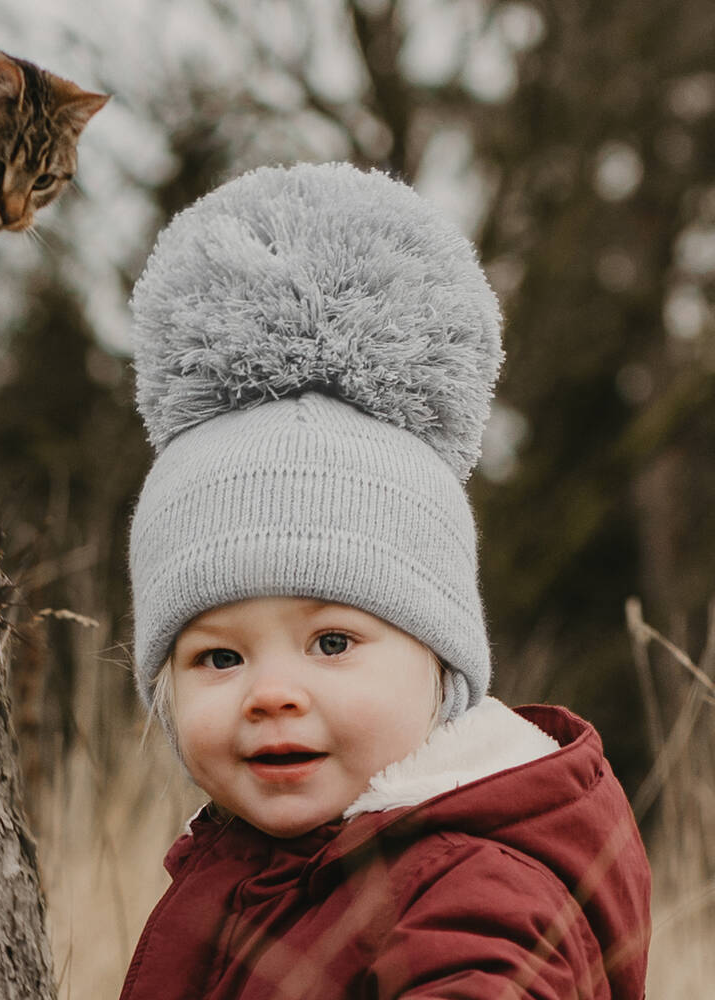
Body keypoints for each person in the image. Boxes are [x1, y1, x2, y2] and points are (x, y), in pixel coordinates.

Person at [119, 162, 651, 1000]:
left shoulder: (478, 887)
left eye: (332, 642)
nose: (271, 693)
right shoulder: (261, 867)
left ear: (442, 666)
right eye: (219, 659)